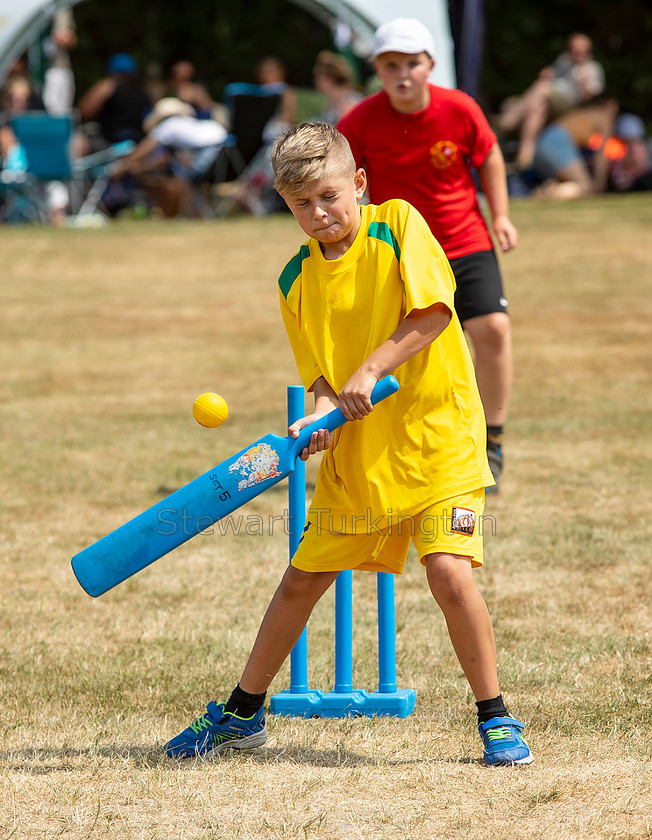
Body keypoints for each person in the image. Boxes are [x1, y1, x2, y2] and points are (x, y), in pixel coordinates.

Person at [164, 121, 533, 768]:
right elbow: (323, 381)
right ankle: (241, 715)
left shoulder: (399, 225)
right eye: (301, 204)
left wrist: (369, 372)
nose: (319, 215)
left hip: (435, 436)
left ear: (358, 183)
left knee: (448, 572)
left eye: (330, 196)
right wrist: (316, 422)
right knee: (302, 580)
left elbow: (432, 314)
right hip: (360, 455)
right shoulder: (294, 281)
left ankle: (495, 715)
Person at [338, 18, 517, 492]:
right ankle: (402, 446)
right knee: (410, 352)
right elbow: (340, 183)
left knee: (493, 330)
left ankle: (492, 441)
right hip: (405, 252)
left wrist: (499, 215)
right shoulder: (359, 121)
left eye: (412, 64)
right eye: (390, 64)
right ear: (375, 68)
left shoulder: (459, 109)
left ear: (430, 65)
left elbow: (491, 156)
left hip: (464, 241)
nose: (402, 74)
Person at [497, 33, 605, 169]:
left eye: (580, 51)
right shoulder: (564, 61)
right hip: (551, 100)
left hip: (570, 105)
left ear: (588, 52)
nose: (575, 54)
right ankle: (525, 156)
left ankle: (508, 121)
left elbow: (592, 99)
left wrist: (583, 79)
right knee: (537, 107)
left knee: (542, 88)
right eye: (572, 50)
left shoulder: (592, 69)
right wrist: (547, 75)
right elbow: (553, 78)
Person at [111, 96, 227, 217]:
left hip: (211, 153)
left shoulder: (169, 124)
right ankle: (192, 211)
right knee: (179, 167)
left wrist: (124, 164)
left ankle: (179, 212)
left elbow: (145, 148)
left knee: (174, 175)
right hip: (227, 153)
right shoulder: (189, 126)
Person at [531, 97, 618, 199]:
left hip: (543, 139)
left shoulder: (582, 112)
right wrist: (599, 185)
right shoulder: (604, 118)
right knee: (585, 186)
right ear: (608, 105)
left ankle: (548, 189)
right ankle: (546, 193)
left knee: (569, 182)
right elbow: (602, 156)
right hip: (558, 141)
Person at [77, 53, 152, 151]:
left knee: (79, 142)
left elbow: (83, 113)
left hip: (110, 144)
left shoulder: (108, 87)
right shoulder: (144, 93)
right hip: (138, 145)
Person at [313, 50, 363, 125]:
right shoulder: (332, 100)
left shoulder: (347, 102)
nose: (315, 80)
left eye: (318, 75)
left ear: (330, 78)